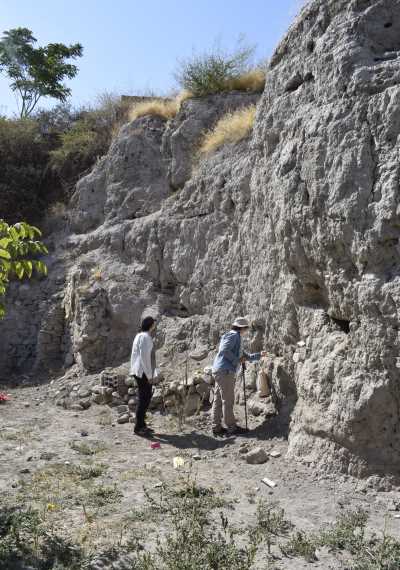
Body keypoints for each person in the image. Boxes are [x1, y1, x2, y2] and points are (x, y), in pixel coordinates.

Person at [212, 317, 267, 436]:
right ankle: (231, 427)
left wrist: (258, 355)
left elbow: (243, 355)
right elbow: (224, 351)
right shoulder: (234, 336)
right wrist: (236, 360)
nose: (247, 331)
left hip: (219, 370)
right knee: (228, 400)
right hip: (225, 371)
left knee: (218, 400)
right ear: (242, 328)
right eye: (246, 328)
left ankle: (216, 427)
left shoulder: (233, 336)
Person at [130, 316, 158, 436]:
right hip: (142, 372)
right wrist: (149, 375)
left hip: (140, 371)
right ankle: (138, 427)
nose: (155, 326)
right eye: (154, 324)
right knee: (143, 399)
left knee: (145, 399)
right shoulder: (145, 337)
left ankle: (142, 425)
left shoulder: (139, 335)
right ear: (151, 325)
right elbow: (145, 358)